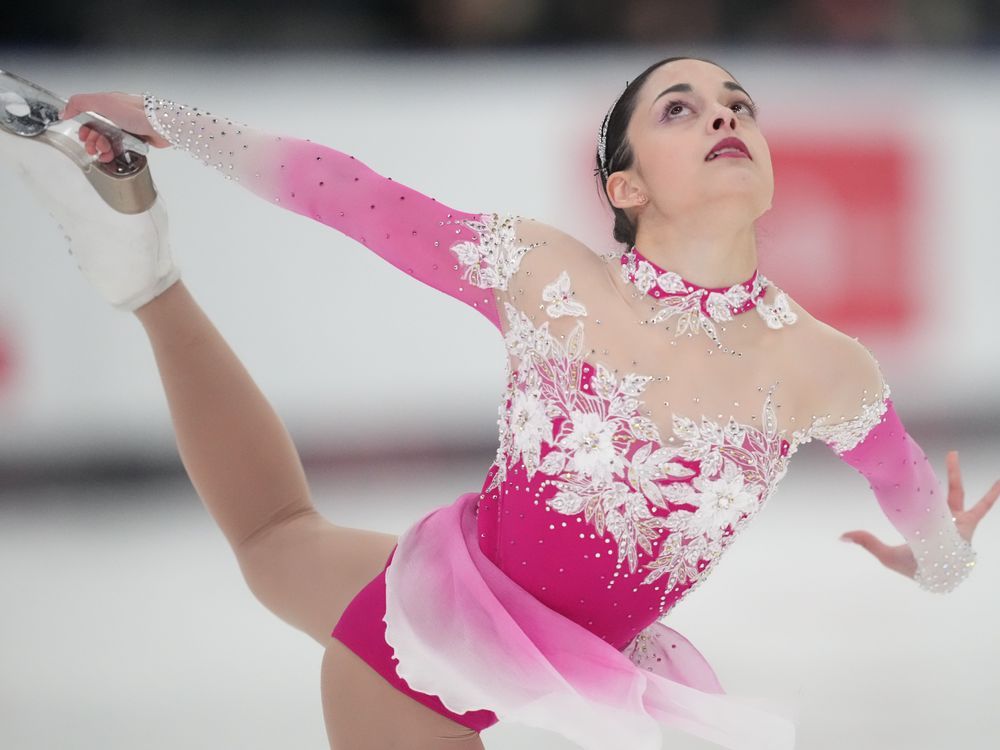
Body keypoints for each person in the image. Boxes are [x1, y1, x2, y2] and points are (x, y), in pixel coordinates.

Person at [3, 56, 996, 750]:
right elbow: (346, 191)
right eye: (681, 110)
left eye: (737, 104)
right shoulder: (544, 276)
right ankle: (141, 268)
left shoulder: (829, 369)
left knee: (273, 537)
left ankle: (139, 271)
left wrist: (935, 559)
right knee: (271, 541)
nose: (725, 116)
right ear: (625, 183)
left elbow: (918, 507)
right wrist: (170, 118)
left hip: (529, 628)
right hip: (418, 660)